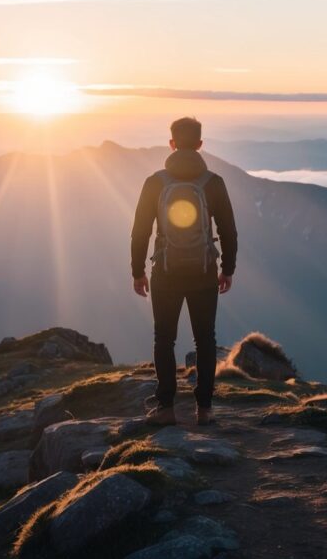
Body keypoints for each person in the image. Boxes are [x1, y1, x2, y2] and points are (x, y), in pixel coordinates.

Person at [131, 117, 237, 426]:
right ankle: (204, 409)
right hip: (204, 272)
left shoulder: (155, 182)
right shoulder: (213, 182)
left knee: (164, 339)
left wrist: (138, 271)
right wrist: (227, 268)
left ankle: (166, 408)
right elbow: (228, 231)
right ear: (201, 145)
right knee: (205, 340)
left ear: (172, 144)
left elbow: (140, 231)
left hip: (165, 272)